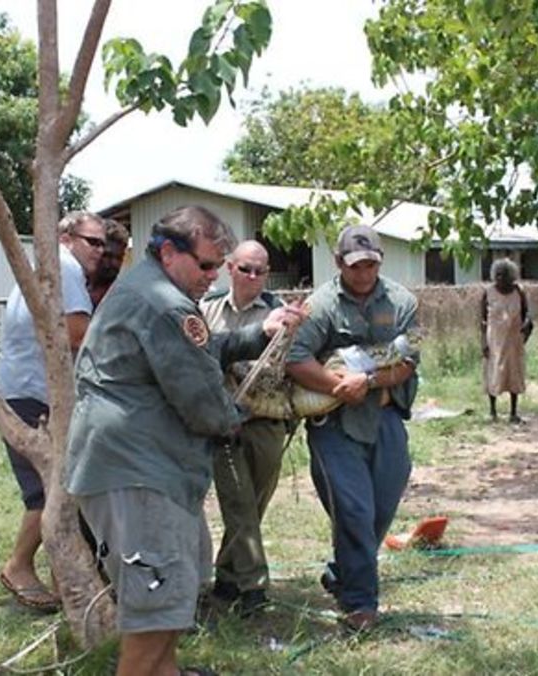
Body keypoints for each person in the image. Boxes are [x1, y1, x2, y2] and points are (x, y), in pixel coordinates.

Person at [64, 206, 305, 676]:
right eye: (208, 265)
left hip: (140, 471)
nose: (214, 276)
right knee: (153, 614)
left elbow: (202, 349)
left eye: (220, 266)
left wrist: (260, 334)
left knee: (173, 596)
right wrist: (241, 415)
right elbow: (201, 399)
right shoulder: (163, 303)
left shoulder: (151, 293)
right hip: (137, 476)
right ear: (170, 251)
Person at [285, 224, 419, 633]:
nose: (363, 273)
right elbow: (295, 358)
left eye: (371, 264)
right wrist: (338, 386)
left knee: (382, 505)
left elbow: (409, 357)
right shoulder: (320, 305)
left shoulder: (401, 301)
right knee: (354, 511)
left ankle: (342, 570)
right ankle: (361, 603)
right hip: (335, 425)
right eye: (355, 265)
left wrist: (371, 382)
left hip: (385, 416)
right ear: (339, 263)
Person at [0, 211, 105, 613]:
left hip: (22, 390)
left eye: (103, 244)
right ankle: (19, 566)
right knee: (50, 493)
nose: (100, 251)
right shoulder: (65, 266)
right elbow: (77, 334)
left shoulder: (44, 268)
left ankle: (64, 580)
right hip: (33, 395)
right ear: (66, 237)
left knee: (57, 489)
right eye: (93, 241)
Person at [199, 240, 288, 618]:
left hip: (267, 423)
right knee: (237, 504)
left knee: (253, 507)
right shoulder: (206, 309)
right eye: (245, 269)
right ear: (229, 268)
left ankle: (227, 578)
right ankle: (254, 588)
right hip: (223, 427)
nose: (253, 277)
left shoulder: (279, 312)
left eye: (260, 271)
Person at [481, 258, 532, 422]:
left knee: (514, 373)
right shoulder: (488, 292)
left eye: (504, 275)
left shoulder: (519, 292)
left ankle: (513, 412)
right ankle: (493, 411)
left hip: (514, 340)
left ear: (512, 276)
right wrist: (483, 343)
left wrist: (525, 335)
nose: (500, 278)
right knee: (493, 373)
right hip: (494, 340)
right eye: (498, 275)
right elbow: (482, 320)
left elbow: (527, 316)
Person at [88, 219, 129, 307]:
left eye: (119, 257)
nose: (113, 263)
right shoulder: (74, 286)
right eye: (107, 256)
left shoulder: (125, 296)